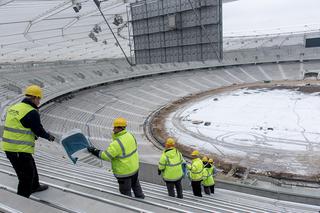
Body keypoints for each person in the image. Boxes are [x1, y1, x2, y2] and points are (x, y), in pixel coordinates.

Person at [1, 85, 55, 198]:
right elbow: (38, 130)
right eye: (39, 99)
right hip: (18, 149)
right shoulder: (31, 112)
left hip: (10, 147)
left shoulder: (14, 107)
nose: (39, 102)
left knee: (31, 167)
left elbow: (21, 126)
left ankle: (35, 186)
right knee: (25, 177)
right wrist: (49, 137)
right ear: (34, 98)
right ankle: (22, 200)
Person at [87, 117, 145, 198]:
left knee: (125, 193)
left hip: (124, 172)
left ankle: (129, 207)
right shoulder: (130, 135)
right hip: (134, 168)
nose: (113, 129)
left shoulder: (117, 143)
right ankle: (141, 198)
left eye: (115, 127)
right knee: (135, 185)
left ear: (120, 128)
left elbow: (106, 156)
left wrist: (95, 151)